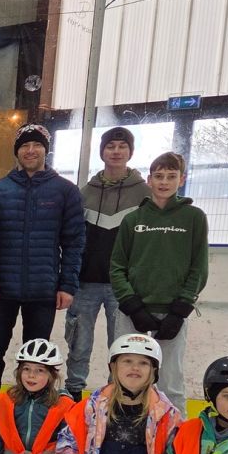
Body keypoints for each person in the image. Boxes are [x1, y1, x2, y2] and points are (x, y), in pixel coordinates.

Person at [0, 123, 85, 392]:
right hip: (1, 289)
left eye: (37, 145)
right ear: (16, 151)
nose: (30, 150)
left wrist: (67, 285)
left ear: (46, 150)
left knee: (36, 357)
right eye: (24, 146)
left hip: (43, 290)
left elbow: (74, 242)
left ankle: (32, 406)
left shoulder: (65, 191)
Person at [109, 151, 210, 415]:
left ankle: (176, 435)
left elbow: (199, 267)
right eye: (159, 176)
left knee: (169, 381)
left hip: (172, 313)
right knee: (125, 377)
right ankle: (118, 428)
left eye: (171, 176)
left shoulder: (194, 218)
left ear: (182, 179)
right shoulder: (133, 219)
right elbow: (117, 266)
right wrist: (132, 305)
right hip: (133, 314)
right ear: (149, 180)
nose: (164, 182)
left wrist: (180, 309)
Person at [64, 127, 149, 400]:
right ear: (102, 152)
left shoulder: (145, 194)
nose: (116, 151)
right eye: (110, 146)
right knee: (78, 343)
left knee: (123, 346)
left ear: (130, 152)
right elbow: (72, 237)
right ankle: (74, 394)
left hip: (124, 287)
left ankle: (120, 397)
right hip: (85, 283)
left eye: (122, 146)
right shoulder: (84, 193)